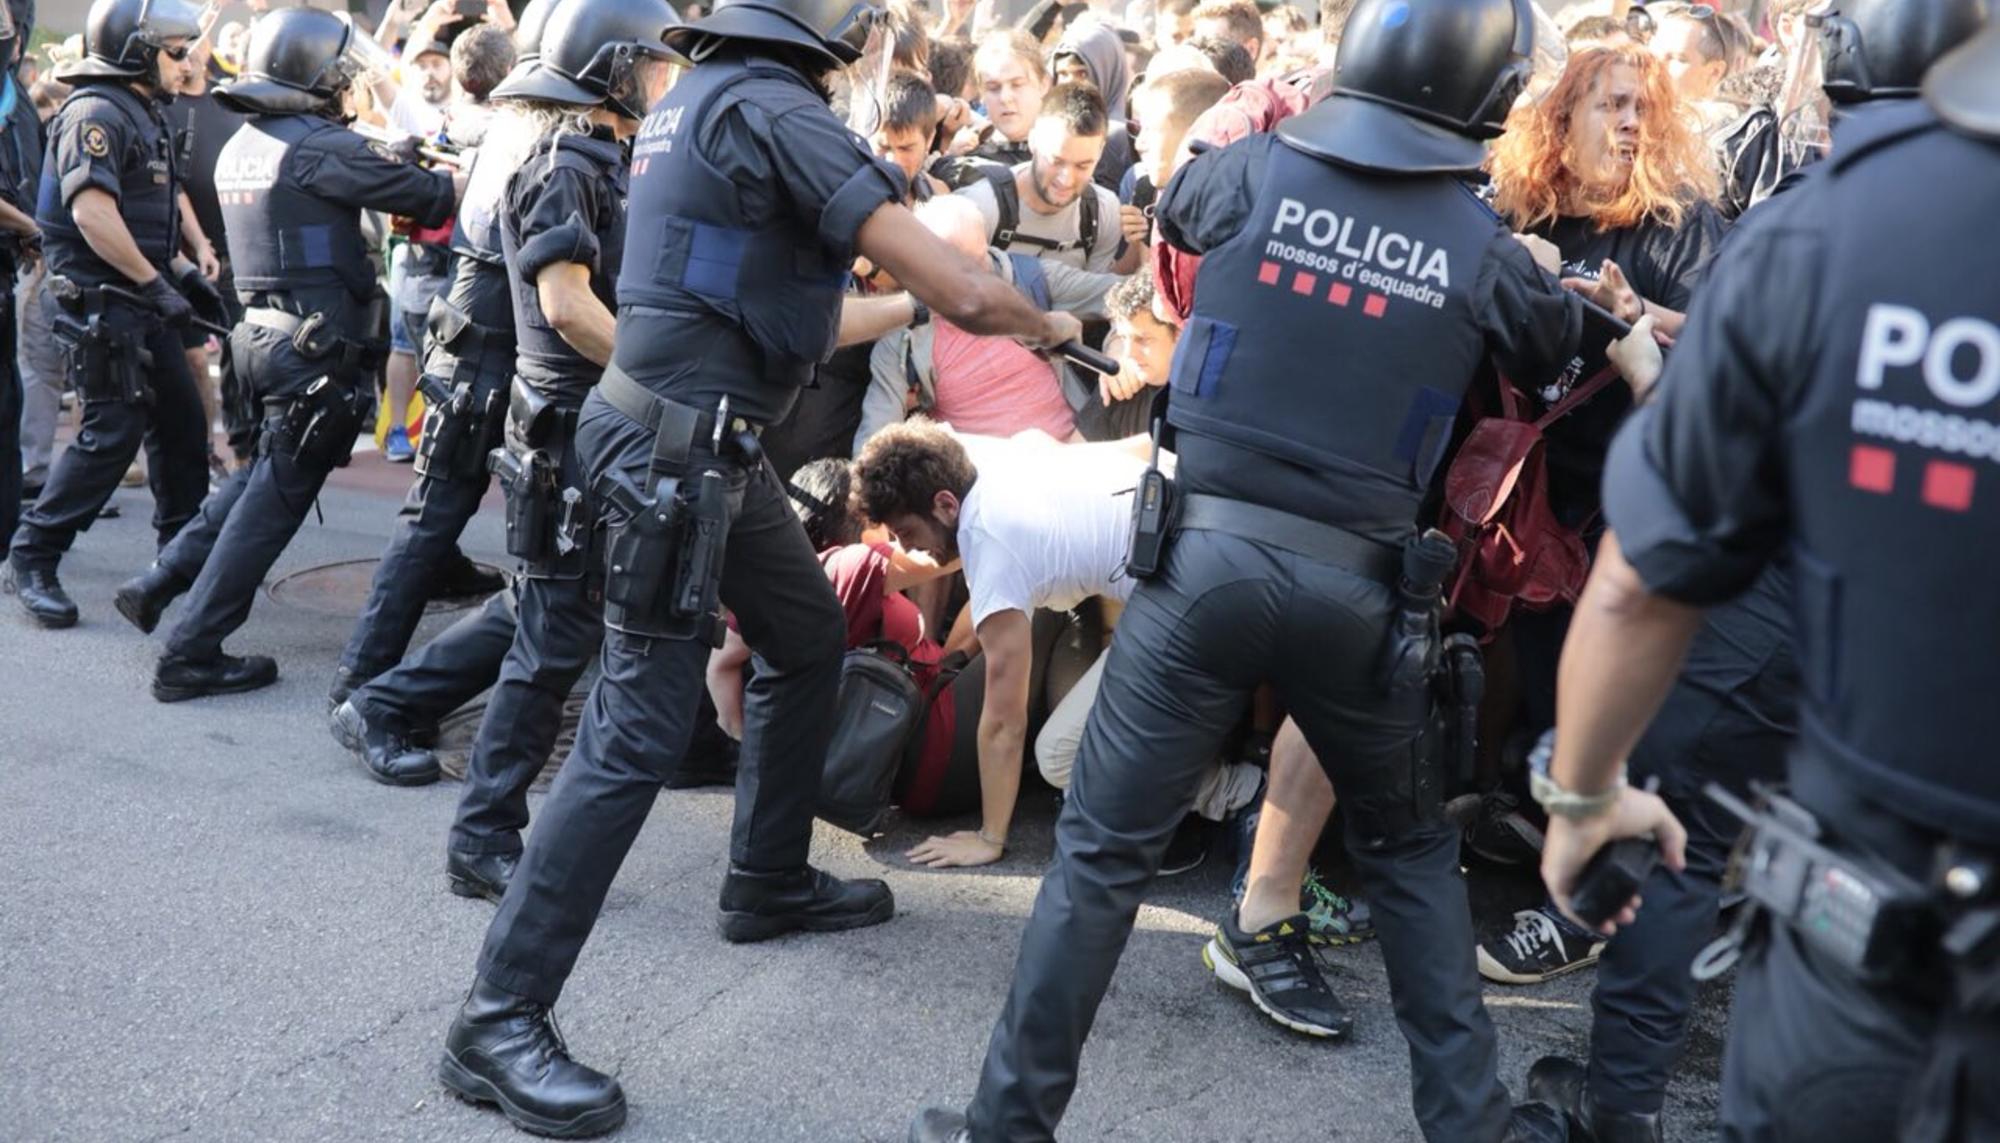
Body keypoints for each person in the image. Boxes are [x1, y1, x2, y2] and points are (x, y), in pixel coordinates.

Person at [907, 0, 1588, 1138]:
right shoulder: (1480, 247)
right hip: (1361, 598)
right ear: (1486, 97)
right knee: (1414, 865)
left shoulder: (1256, 168)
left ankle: (1003, 1128)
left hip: (1198, 571)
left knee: (1097, 864)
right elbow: (1550, 348)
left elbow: (1179, 201)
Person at [435, 0, 1080, 1132]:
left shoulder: (698, 101)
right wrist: (1051, 325)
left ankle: (766, 877)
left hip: (695, 447)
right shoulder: (782, 111)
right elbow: (961, 292)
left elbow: (800, 317)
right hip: (677, 457)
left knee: (804, 632)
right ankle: (495, 1020)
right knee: (632, 730)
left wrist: (930, 299)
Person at [1533, 8, 2000, 1143]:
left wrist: (1584, 798)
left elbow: (1643, 580)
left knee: (1677, 831)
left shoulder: (1824, 229)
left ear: (1842, 65)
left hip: (1871, 931)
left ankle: (1621, 1111)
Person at [111, 8, 460, 700]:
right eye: (340, 73)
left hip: (264, 341)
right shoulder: (318, 146)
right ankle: (190, 651)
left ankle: (160, 579)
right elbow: (432, 193)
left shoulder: (250, 139)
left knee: (260, 478)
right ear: (316, 74)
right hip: (313, 352)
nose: (347, 84)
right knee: (272, 506)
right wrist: (426, 159)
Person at [435, 0, 671, 892]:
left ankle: (497, 825)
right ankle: (482, 834)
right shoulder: (565, 162)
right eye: (650, 65)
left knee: (560, 636)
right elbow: (568, 304)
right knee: (548, 644)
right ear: (611, 70)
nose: (661, 82)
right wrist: (656, 383)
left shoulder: (592, 156)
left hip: (580, 428)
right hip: (569, 431)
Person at [326, 12, 528, 722]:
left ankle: (366, 686)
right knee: (433, 516)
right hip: (491, 348)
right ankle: (366, 691)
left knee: (436, 519)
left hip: (482, 339)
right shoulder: (533, 129)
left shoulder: (512, 124)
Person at [7, 0, 213, 630]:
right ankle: (33, 555)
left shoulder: (141, 111)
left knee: (181, 428)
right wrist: (157, 283)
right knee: (111, 434)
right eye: (173, 51)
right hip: (104, 305)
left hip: (140, 301)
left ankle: (176, 564)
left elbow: (145, 215)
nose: (184, 64)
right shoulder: (95, 112)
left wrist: (179, 274)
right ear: (134, 51)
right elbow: (93, 215)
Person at [856, 195, 1134, 448]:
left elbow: (1131, 295)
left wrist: (1120, 344)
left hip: (1076, 450)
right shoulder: (901, 342)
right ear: (927, 267)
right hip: (987, 485)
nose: (978, 280)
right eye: (962, 270)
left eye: (981, 260)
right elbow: (875, 442)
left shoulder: (1033, 279)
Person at [954, 81, 1139, 272]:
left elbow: (1097, 295)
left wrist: (1138, 247)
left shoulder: (1103, 211)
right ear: (1033, 142)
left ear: (1100, 153)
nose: (1066, 179)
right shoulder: (981, 207)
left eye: (1082, 166)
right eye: (1056, 161)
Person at [1049, 17, 1134, 190]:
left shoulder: (1114, 138)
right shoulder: (1049, 128)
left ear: (1107, 72)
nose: (1070, 85)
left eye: (1082, 74)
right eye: (1063, 74)